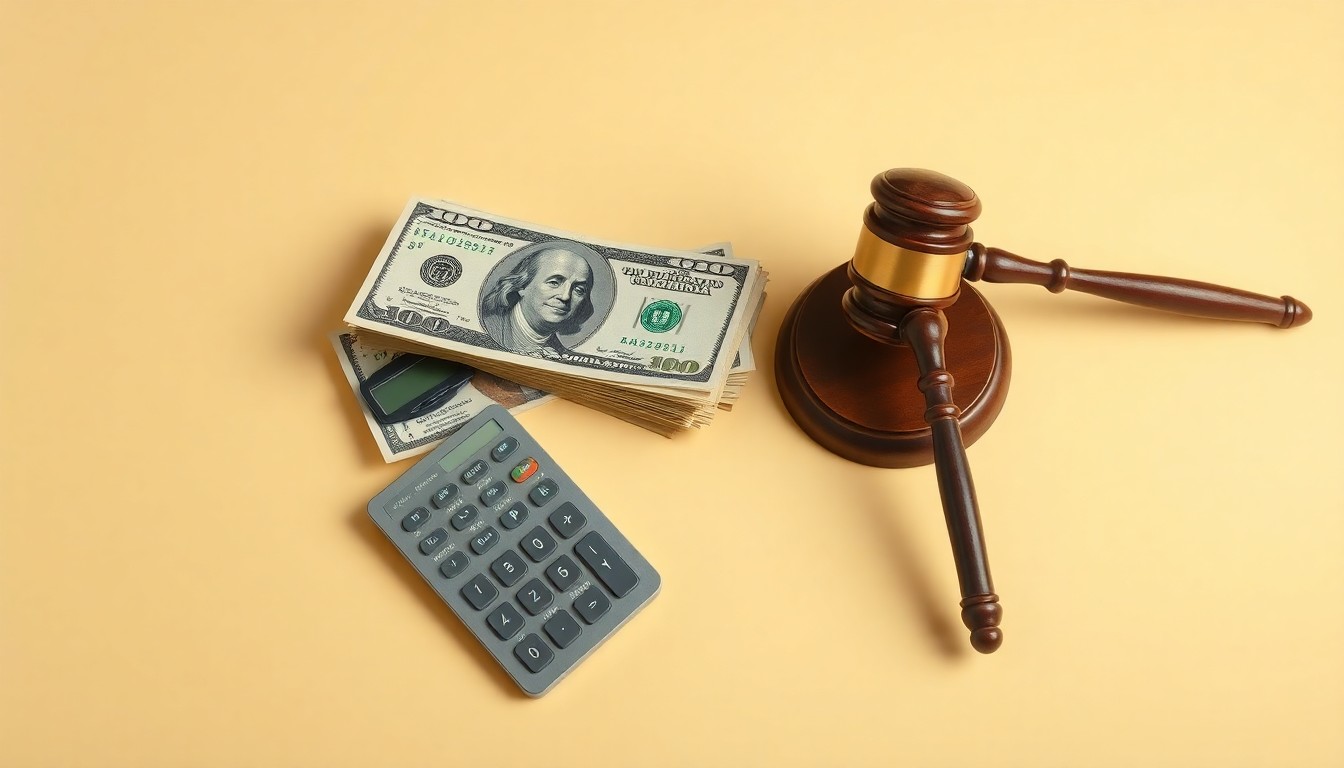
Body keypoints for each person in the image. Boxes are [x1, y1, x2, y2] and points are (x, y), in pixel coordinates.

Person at [480, 244, 596, 357]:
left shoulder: (562, 355)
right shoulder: (487, 327)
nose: (565, 296)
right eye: (554, 283)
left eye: (579, 290)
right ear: (522, 285)